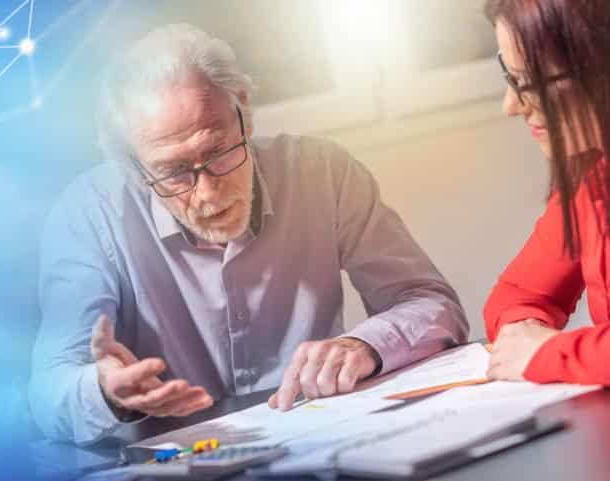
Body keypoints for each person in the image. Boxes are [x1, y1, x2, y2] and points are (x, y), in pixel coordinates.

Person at [31, 23, 468, 445]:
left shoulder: (323, 173)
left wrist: (365, 345)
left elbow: (431, 302)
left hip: (320, 443)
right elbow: (50, 392)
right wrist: (106, 391)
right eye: (174, 172)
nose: (207, 192)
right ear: (132, 168)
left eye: (219, 151)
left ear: (244, 112)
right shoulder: (87, 216)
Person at [484, 0, 610, 385]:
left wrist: (548, 353)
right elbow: (516, 294)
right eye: (510, 77)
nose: (512, 106)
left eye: (529, 83)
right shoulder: (592, 180)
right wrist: (524, 335)